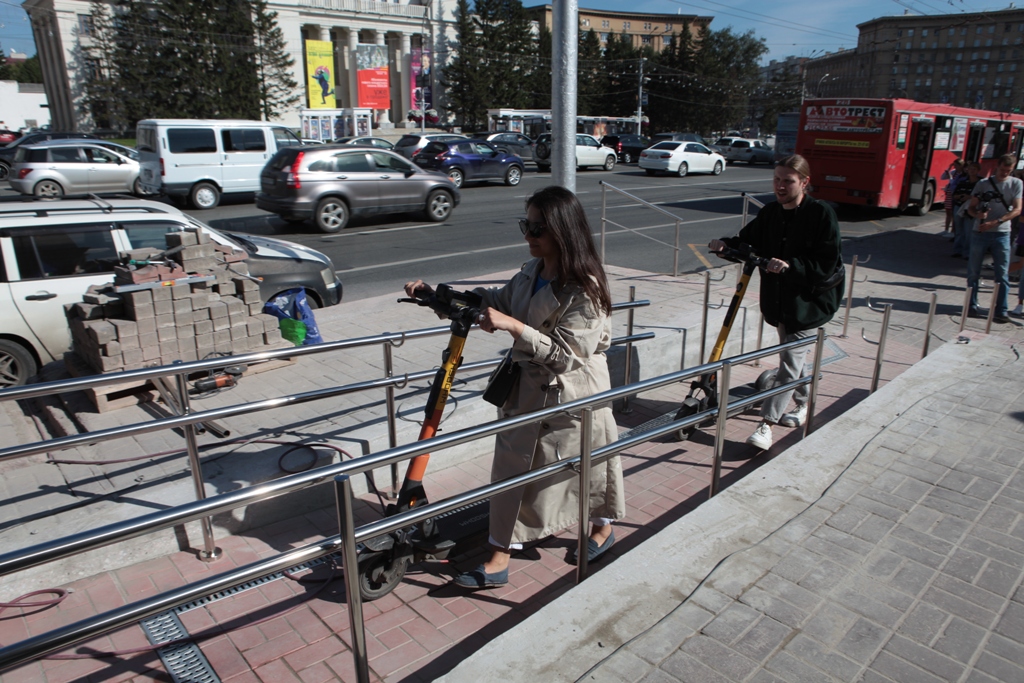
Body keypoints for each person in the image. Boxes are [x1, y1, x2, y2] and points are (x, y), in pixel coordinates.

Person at [404, 186, 626, 589]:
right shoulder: (532, 271)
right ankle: (499, 556)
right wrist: (442, 296)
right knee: (511, 467)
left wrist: (514, 327)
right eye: (526, 224)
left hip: (573, 393)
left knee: (586, 467)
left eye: (538, 227)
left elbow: (566, 355)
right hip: (524, 389)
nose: (529, 234)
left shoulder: (585, 288)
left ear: (562, 229)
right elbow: (496, 299)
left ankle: (602, 528)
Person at [708, 155, 843, 451]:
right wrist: (724, 246)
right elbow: (747, 242)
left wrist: (791, 265)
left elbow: (826, 262)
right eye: (777, 180)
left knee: (791, 361)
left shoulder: (820, 214)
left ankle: (766, 425)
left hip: (809, 304)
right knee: (791, 361)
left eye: (788, 181)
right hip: (780, 303)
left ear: (804, 183)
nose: (780, 186)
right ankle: (804, 402)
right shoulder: (771, 213)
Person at [965, 154, 1023, 324]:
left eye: (1009, 171)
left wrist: (996, 222)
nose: (1005, 173)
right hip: (980, 232)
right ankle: (972, 305)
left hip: (1002, 233)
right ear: (997, 167)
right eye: (1003, 170)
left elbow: (1017, 209)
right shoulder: (983, 184)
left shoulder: (1016, 183)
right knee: (974, 271)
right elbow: (971, 208)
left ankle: (1001, 309)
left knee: (1002, 274)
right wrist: (978, 214)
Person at [951, 161, 981, 259]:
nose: (971, 171)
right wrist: (960, 196)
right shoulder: (962, 182)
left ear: (978, 171)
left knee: (969, 231)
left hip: (971, 208)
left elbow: (981, 196)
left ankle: (967, 252)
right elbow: (954, 195)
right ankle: (957, 250)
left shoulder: (981, 183)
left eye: (974, 169)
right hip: (959, 207)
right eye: (970, 169)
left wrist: (969, 197)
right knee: (959, 230)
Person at [942, 159, 965, 233]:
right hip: (949, 193)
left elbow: (954, 183)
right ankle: (946, 229)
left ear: (961, 165)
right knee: (948, 212)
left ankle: (953, 230)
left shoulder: (962, 175)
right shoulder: (953, 172)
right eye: (954, 165)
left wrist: (950, 177)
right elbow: (942, 177)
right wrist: (949, 168)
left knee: (953, 213)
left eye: (956, 165)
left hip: (955, 194)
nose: (955, 167)